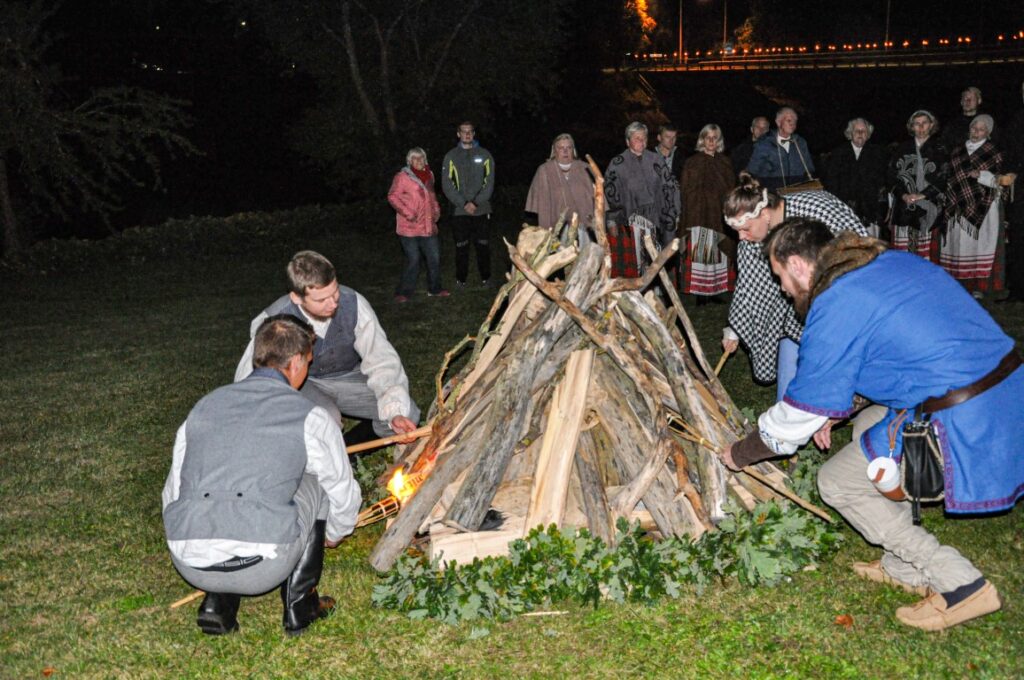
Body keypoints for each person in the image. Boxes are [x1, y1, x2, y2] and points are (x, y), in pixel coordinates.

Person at [722, 219, 1021, 631]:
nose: (783, 289)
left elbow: (791, 425)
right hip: (1006, 391)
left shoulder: (836, 302)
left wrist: (739, 454)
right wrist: (834, 409)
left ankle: (960, 583)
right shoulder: (887, 264)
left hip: (965, 415)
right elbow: (892, 352)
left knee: (836, 482)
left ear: (798, 264)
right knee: (867, 424)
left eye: (780, 277)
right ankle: (903, 567)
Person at [164, 315, 363, 636]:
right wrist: (337, 531)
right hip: (261, 569)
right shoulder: (310, 416)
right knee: (317, 478)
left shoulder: (205, 407)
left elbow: (173, 490)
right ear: (296, 361)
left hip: (190, 561)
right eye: (308, 363)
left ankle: (218, 604)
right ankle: (301, 605)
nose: (307, 371)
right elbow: (341, 487)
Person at [234, 250, 420, 444]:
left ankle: (351, 450)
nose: (332, 304)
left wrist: (394, 411)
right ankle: (325, 457)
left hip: (347, 377)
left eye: (335, 292)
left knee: (407, 412)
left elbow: (381, 359)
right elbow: (250, 380)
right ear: (297, 298)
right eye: (321, 300)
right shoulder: (274, 322)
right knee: (326, 423)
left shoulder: (353, 303)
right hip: (305, 383)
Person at [721, 174, 866, 400]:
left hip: (836, 299)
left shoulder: (816, 209)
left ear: (765, 214)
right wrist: (735, 329)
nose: (741, 237)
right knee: (792, 337)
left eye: (746, 228)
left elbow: (858, 249)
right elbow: (749, 282)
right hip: (795, 312)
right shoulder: (751, 240)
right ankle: (786, 406)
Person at [940, 115, 1006, 299]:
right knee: (958, 246)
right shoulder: (957, 151)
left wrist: (982, 175)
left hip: (983, 206)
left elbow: (1002, 179)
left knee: (978, 247)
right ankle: (957, 284)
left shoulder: (994, 152)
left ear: (989, 132)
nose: (976, 132)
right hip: (957, 205)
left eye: (981, 129)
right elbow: (949, 176)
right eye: (974, 128)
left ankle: (978, 286)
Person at [603, 121, 681, 277]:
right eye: (636, 138)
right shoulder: (617, 164)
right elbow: (609, 194)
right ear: (627, 141)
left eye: (644, 137)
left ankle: (656, 293)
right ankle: (635, 292)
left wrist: (675, 211)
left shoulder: (656, 160)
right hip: (630, 220)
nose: (641, 141)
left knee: (656, 257)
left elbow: (671, 186)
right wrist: (611, 221)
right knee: (636, 259)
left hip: (657, 218)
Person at [680, 124, 736, 303]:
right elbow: (686, 190)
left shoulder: (724, 162)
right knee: (701, 251)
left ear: (719, 141)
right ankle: (700, 294)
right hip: (699, 212)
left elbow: (730, 188)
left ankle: (716, 291)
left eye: (715, 138)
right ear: (702, 140)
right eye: (708, 137)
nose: (711, 141)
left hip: (719, 213)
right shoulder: (692, 162)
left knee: (718, 253)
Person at [887, 110, 949, 261]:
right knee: (902, 257)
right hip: (904, 208)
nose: (921, 127)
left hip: (930, 209)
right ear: (911, 126)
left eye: (924, 123)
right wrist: (903, 195)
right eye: (917, 123)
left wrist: (924, 195)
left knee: (927, 258)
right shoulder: (901, 149)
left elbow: (944, 177)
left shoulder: (940, 149)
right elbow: (891, 176)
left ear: (931, 125)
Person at [388, 147, 447, 303]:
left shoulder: (430, 175)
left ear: (425, 159)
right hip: (409, 227)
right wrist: (409, 213)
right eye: (415, 158)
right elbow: (393, 196)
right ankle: (403, 292)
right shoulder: (402, 177)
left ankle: (435, 289)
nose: (418, 161)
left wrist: (436, 211)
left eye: (421, 158)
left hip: (428, 226)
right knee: (413, 260)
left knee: (434, 258)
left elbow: (432, 196)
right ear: (409, 161)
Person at [441, 121, 495, 287]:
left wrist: (476, 202)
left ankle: (486, 278)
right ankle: (461, 279)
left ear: (474, 133)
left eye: (470, 131)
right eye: (464, 132)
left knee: (482, 246)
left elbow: (490, 182)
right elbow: (447, 185)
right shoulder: (451, 156)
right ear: (458, 134)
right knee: (461, 247)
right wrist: (464, 203)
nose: (467, 134)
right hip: (459, 211)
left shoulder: (485, 155)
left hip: (481, 209)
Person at [823, 118, 888, 238]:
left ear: (868, 135)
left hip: (870, 211)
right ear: (850, 133)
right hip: (844, 211)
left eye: (863, 131)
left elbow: (882, 184)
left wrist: (883, 209)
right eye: (856, 131)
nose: (860, 134)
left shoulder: (877, 154)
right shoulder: (838, 154)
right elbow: (831, 184)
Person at [524, 133, 595, 243]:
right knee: (561, 257)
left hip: (584, 227)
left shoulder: (585, 168)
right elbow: (542, 203)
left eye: (569, 147)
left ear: (573, 150)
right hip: (556, 227)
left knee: (585, 257)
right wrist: (546, 232)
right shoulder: (545, 170)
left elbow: (599, 198)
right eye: (561, 148)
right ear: (554, 150)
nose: (565, 151)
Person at [746, 107, 816, 192]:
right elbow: (753, 171)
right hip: (773, 195)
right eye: (789, 121)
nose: (792, 124)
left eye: (795, 121)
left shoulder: (800, 142)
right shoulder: (764, 143)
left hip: (796, 193)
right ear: (778, 122)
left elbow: (809, 169)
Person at [1002, 80, 1024, 302]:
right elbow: (1010, 152)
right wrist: (1008, 173)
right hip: (1021, 191)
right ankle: (1018, 289)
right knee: (1018, 239)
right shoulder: (1017, 120)